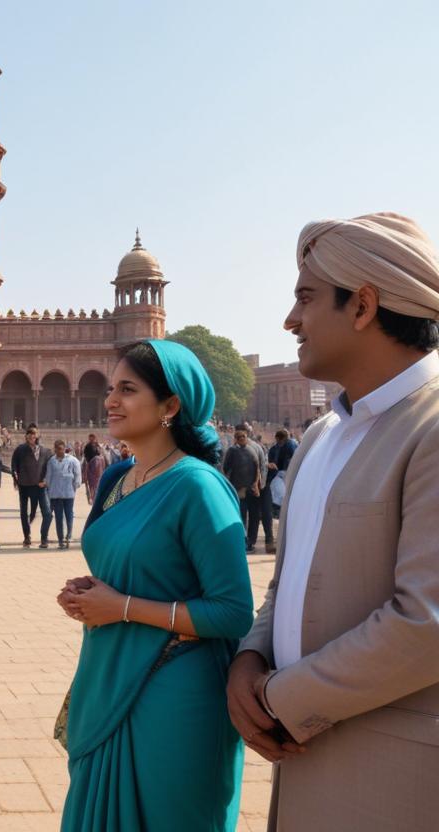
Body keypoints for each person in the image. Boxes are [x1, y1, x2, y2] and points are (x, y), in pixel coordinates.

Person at [227, 212, 439, 830]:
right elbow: (288, 581)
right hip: (300, 761)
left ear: (364, 305)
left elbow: (426, 623)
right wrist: (250, 657)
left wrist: (279, 699)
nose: (291, 321)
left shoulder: (428, 430)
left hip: (391, 775)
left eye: (306, 298)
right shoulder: (322, 436)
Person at [57, 340, 254, 830]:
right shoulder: (120, 477)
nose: (111, 401)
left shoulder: (197, 486)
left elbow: (232, 612)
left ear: (171, 406)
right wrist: (91, 589)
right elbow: (131, 563)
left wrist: (121, 606)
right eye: (110, 388)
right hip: (107, 673)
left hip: (173, 692)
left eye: (128, 389)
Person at [11, 425, 53, 548]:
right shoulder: (20, 450)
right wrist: (15, 477)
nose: (31, 436)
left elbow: (50, 468)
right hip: (24, 486)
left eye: (33, 434)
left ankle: (44, 538)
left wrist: (45, 480)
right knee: (24, 512)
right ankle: (27, 537)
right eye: (29, 434)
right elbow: (14, 465)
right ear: (26, 437)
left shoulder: (46, 451)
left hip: (40, 487)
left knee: (47, 513)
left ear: (37, 436)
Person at [222, 426, 262, 554]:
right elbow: (226, 469)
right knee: (242, 516)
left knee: (254, 516)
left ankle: (251, 541)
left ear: (246, 437)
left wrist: (256, 484)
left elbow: (257, 469)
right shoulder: (232, 451)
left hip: (251, 488)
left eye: (243, 437)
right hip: (239, 489)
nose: (242, 439)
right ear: (236, 439)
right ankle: (243, 541)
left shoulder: (252, 450)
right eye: (239, 437)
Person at [45, 439, 82, 549]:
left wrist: (74, 487)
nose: (59, 451)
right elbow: (49, 476)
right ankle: (60, 539)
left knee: (69, 515)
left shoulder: (73, 460)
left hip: (68, 493)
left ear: (64, 448)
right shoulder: (51, 461)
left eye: (61, 449)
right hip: (55, 493)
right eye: (57, 449)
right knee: (58, 517)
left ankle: (68, 536)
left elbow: (77, 476)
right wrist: (48, 489)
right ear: (54, 449)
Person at [265, 428, 296, 521]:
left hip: (286, 473)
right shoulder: (275, 448)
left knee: (282, 494)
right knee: (279, 494)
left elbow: (293, 459)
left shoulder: (291, 445)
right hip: (279, 474)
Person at [82, 433, 105, 504]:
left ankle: (96, 497)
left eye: (93, 438)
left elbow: (100, 453)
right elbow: (86, 456)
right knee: (92, 484)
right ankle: (92, 497)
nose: (92, 439)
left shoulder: (97, 445)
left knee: (97, 484)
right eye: (90, 438)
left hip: (98, 466)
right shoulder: (87, 446)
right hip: (91, 466)